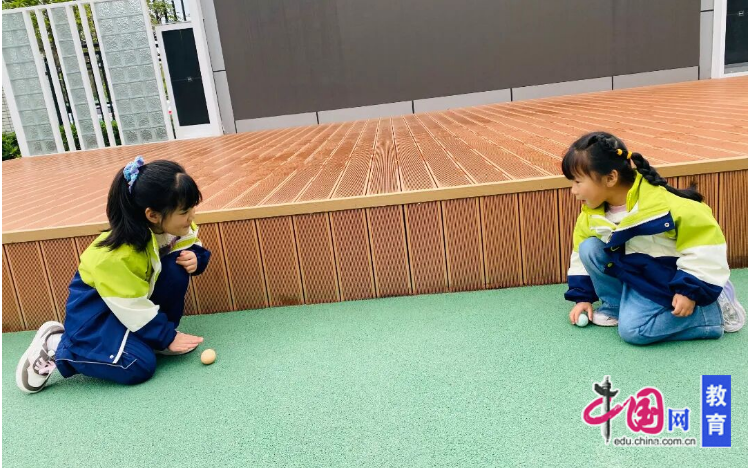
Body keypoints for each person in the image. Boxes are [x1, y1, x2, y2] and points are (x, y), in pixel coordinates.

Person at [17, 157, 210, 393]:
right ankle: (60, 346)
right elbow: (130, 305)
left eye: (192, 208)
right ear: (153, 215)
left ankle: (148, 339)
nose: (192, 216)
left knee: (177, 266)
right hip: (97, 313)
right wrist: (166, 336)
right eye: (185, 211)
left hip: (128, 304)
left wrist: (197, 259)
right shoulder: (118, 254)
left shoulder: (172, 227)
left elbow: (192, 245)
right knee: (138, 365)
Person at [562, 132, 745, 345]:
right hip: (636, 273)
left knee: (634, 331)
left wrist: (689, 289)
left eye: (578, 182)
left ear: (610, 178)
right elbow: (580, 254)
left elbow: (705, 246)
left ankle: (713, 312)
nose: (573, 191)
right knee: (589, 247)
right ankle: (616, 305)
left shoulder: (666, 206)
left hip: (667, 277)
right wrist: (582, 297)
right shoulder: (592, 214)